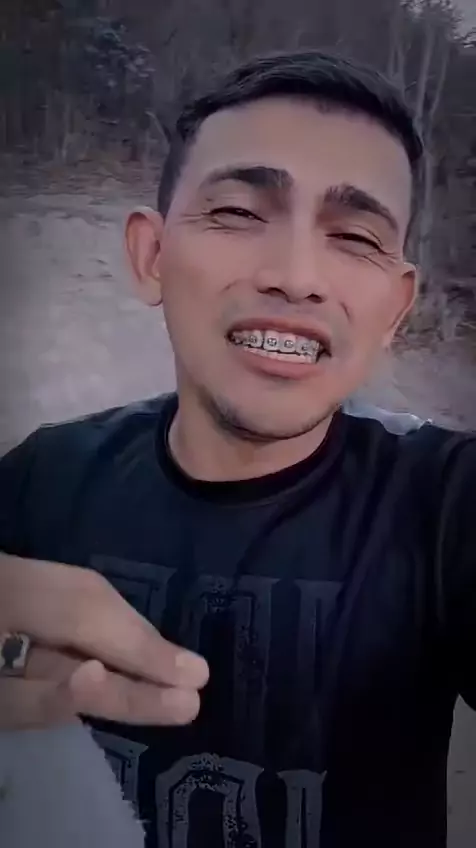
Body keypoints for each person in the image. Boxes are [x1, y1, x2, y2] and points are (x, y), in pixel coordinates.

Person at [0, 49, 474, 848]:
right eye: (238, 213)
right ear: (151, 256)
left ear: (397, 309)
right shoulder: (43, 476)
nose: (295, 276)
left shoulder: (444, 504)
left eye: (355, 235)